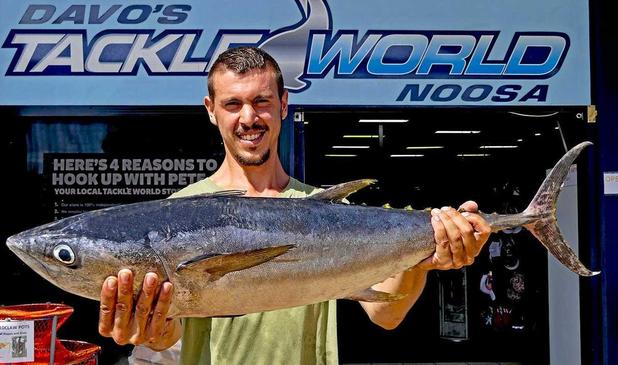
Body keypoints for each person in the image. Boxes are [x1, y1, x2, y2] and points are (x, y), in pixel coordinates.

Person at [97, 46, 491, 364]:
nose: (249, 118)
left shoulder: (323, 211)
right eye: (233, 104)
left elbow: (386, 314)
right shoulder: (177, 213)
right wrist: (153, 328)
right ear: (210, 111)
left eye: (262, 101)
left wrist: (425, 255)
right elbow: (168, 341)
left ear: (283, 105)